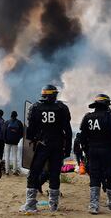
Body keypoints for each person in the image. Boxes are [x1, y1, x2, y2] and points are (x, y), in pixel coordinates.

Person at [20, 85, 72, 214]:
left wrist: (34, 138)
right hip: (58, 146)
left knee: (34, 173)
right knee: (54, 174)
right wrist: (67, 149)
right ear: (54, 95)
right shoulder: (62, 108)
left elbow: (30, 130)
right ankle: (53, 206)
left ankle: (30, 205)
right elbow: (68, 131)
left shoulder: (35, 107)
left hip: (41, 146)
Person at [79, 94, 111, 214]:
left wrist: (87, 150)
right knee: (110, 176)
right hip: (108, 151)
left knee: (94, 176)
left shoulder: (88, 117)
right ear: (106, 105)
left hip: (92, 151)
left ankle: (94, 205)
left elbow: (82, 137)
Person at [3, 111, 24, 175]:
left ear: (11, 115)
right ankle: (14, 171)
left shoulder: (7, 122)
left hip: (7, 141)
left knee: (7, 156)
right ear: (16, 115)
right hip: (15, 142)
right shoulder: (19, 123)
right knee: (15, 156)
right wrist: (18, 139)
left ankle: (7, 171)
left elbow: (4, 132)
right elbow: (22, 133)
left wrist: (5, 140)